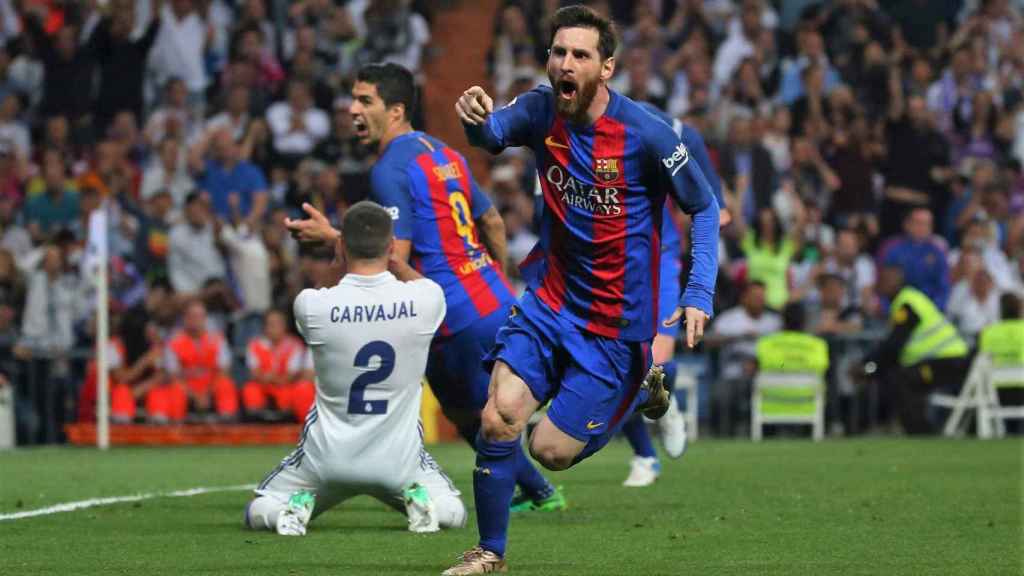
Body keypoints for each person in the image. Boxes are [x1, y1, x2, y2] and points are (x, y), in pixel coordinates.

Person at [448, 5, 719, 573]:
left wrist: (698, 292)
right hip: (549, 301)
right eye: (558, 52)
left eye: (580, 55)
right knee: (498, 417)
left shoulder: (647, 134)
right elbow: (493, 133)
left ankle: (640, 383)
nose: (564, 64)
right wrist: (476, 118)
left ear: (607, 68)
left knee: (549, 450)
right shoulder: (541, 108)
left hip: (615, 325)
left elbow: (705, 205)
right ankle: (489, 552)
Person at [285, 63, 562, 514]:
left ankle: (540, 490)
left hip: (450, 310)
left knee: (470, 413)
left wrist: (330, 238)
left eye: (365, 101)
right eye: (352, 99)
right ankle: (537, 487)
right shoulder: (444, 152)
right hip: (492, 296)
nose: (352, 109)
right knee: (482, 406)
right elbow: (490, 220)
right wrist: (492, 273)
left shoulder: (389, 169)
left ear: (395, 110)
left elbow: (392, 254)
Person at [245, 201, 467, 536]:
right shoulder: (426, 299)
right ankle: (426, 506)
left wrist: (339, 250)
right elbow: (421, 283)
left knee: (260, 508)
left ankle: (287, 515)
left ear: (343, 247)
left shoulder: (312, 306)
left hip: (325, 459)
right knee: (454, 511)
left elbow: (332, 283)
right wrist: (392, 260)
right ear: (391, 247)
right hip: (398, 461)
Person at [619, 101, 729, 488]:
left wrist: (718, 199)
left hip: (656, 257)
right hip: (598, 266)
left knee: (651, 360)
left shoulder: (638, 119)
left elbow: (689, 135)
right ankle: (645, 453)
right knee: (621, 365)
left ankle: (664, 397)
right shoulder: (560, 128)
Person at [861, 266, 969, 435]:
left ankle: (921, 432)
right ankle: (916, 428)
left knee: (902, 379)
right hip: (943, 360)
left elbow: (895, 343)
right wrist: (871, 365)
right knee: (903, 377)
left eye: (884, 280)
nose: (879, 284)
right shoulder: (906, 300)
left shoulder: (907, 303)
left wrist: (868, 366)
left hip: (947, 361)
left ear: (897, 282)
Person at [241, 309, 315, 422]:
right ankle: (256, 418)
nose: (274, 328)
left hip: (285, 384)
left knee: (294, 390)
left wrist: (273, 378)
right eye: (270, 324)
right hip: (263, 384)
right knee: (250, 389)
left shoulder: (295, 345)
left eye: (277, 324)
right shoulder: (255, 345)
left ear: (285, 326)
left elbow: (292, 375)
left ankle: (287, 417)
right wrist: (266, 378)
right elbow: (254, 372)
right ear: (264, 327)